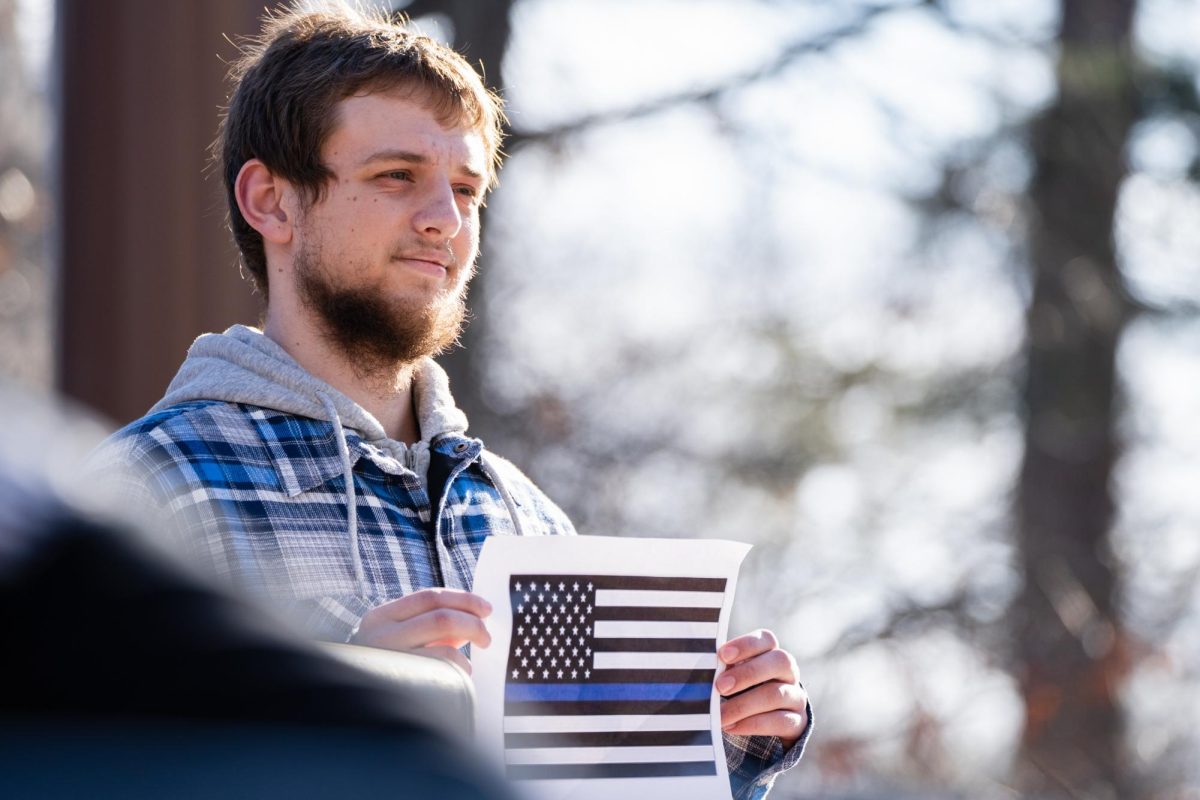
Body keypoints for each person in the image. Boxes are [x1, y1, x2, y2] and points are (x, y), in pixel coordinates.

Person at [94, 5, 811, 798]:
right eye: (396, 176)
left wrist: (721, 749)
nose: (446, 221)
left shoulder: (527, 521)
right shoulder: (139, 497)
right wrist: (331, 715)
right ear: (272, 201)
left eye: (466, 189)